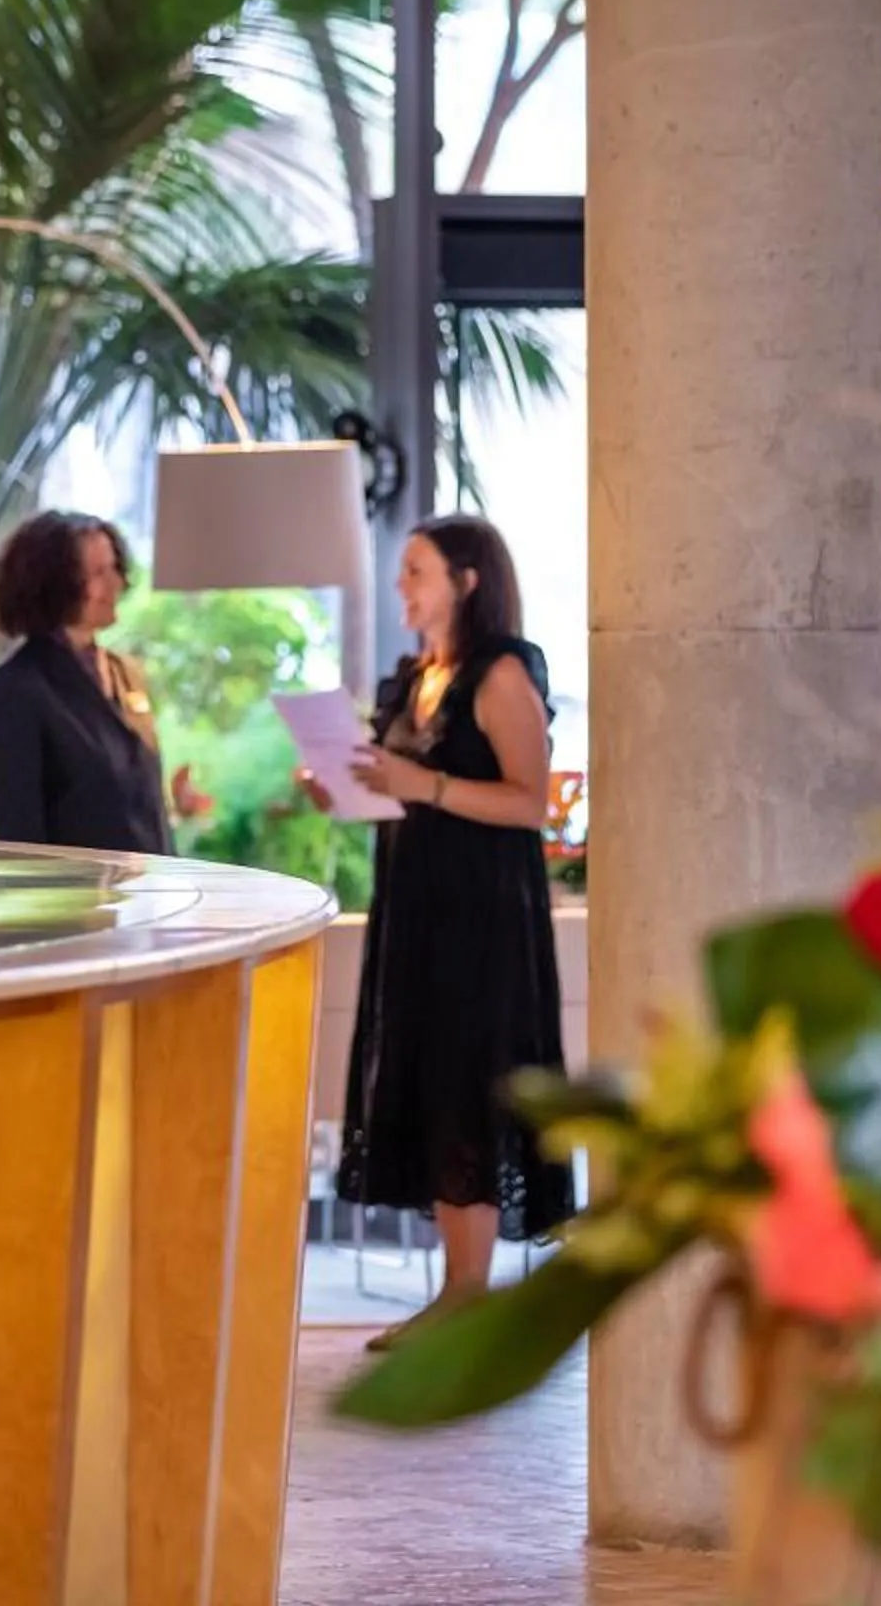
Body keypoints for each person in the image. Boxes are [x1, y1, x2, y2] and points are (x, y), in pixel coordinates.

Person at [306, 513, 573, 1345]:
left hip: (482, 917)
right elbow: (404, 790)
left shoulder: (498, 677)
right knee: (426, 1078)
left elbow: (529, 803)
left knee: (471, 1083)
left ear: (467, 581)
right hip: (417, 907)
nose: (401, 587)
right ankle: (455, 1292)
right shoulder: (413, 677)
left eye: (416, 571)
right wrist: (344, 789)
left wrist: (418, 784)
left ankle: (466, 1294)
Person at [0, 510, 172, 855]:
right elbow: (19, 837)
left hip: (147, 898)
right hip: (77, 904)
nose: (117, 584)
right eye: (98, 573)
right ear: (55, 584)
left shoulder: (123, 674)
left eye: (115, 568)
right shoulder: (16, 689)